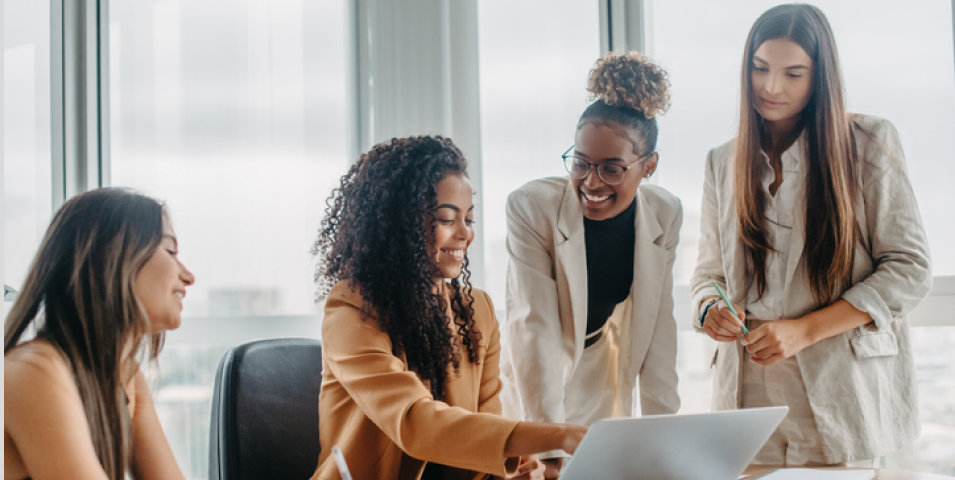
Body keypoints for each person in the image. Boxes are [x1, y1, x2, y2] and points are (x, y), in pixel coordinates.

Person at [692, 4, 932, 466]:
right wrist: (709, 308)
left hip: (841, 395)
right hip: (748, 403)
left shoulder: (869, 142)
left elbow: (910, 269)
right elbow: (708, 272)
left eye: (793, 73)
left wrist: (804, 331)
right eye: (759, 68)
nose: (771, 87)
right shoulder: (722, 162)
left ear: (821, 76)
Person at [310, 136, 587, 480]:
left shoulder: (477, 312)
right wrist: (562, 435)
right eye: (446, 218)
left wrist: (525, 470)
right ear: (401, 224)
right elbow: (416, 423)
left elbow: (485, 439)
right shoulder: (351, 309)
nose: (464, 234)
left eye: (468, 219)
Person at [501, 51, 682, 469]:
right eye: (580, 163)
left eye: (612, 169)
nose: (591, 182)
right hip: (535, 386)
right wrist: (548, 447)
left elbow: (659, 334)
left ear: (648, 165)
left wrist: (669, 446)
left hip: (602, 378)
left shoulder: (666, 213)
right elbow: (535, 329)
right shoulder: (531, 207)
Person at [4, 188, 194, 480]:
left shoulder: (125, 376)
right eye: (169, 251)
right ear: (113, 257)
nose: (188, 276)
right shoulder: (32, 371)